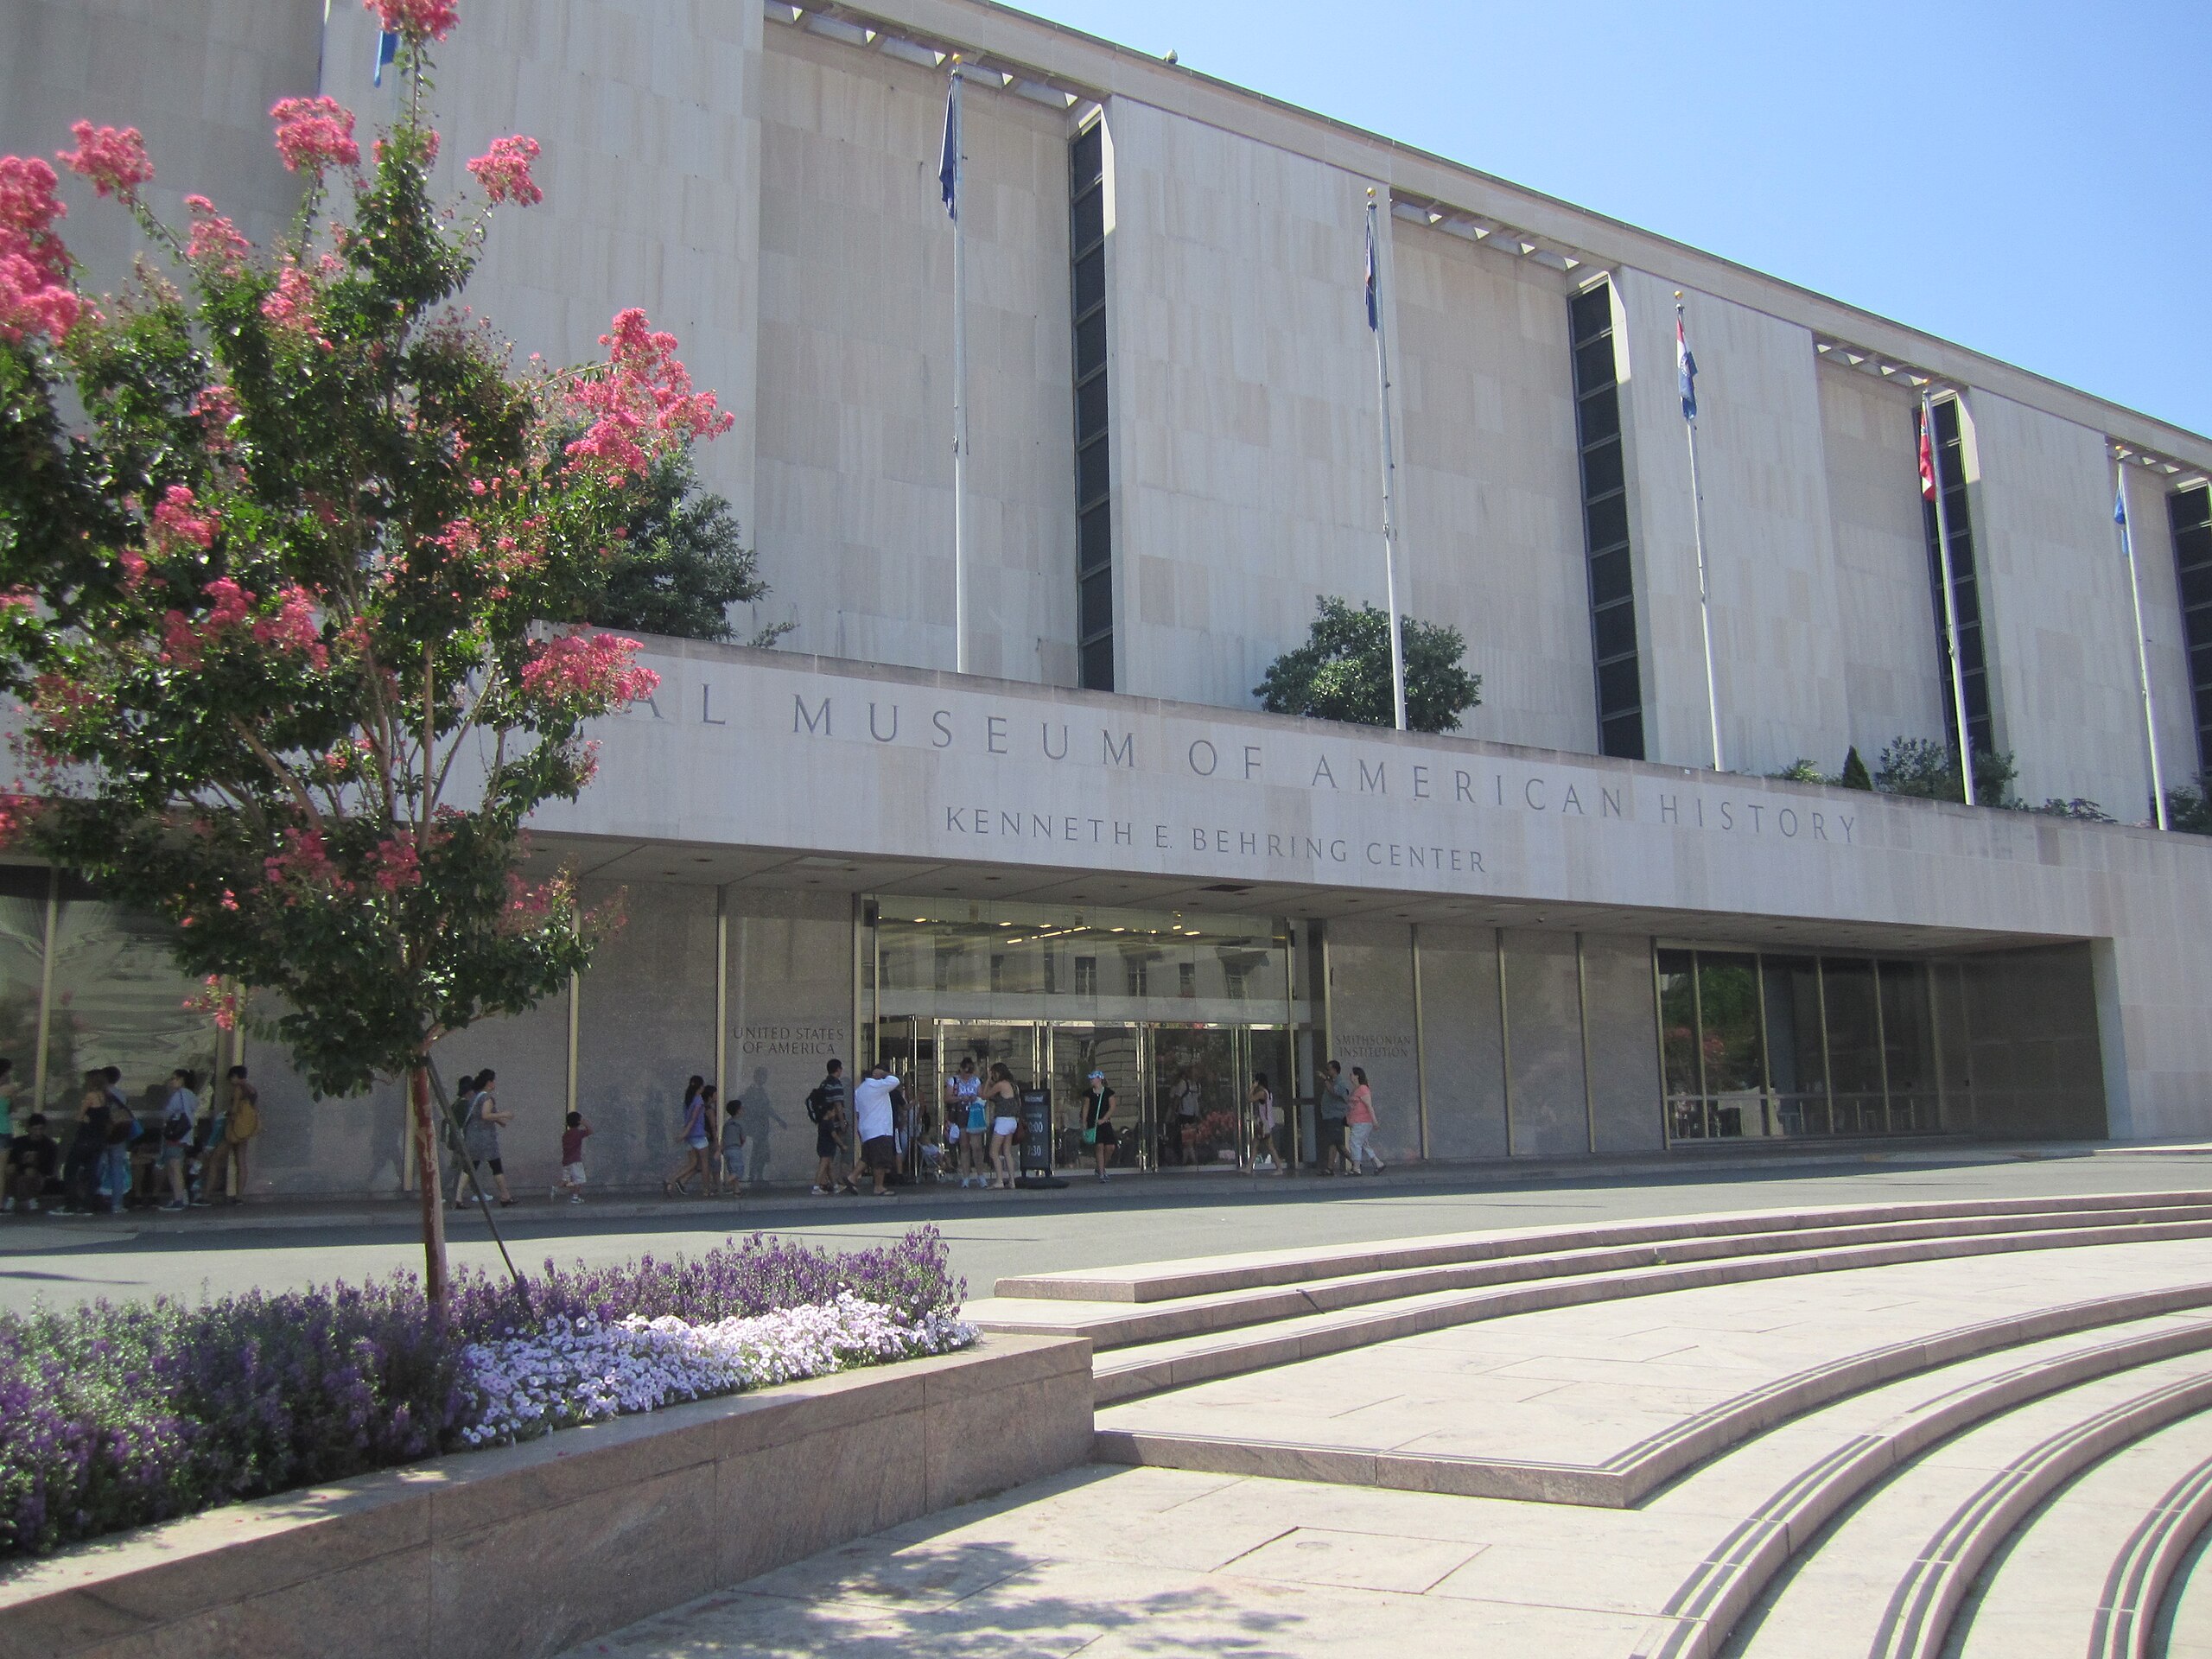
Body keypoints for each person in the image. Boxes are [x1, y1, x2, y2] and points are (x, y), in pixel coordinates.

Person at [455, 1067, 515, 1207]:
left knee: (469, 1168)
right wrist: (504, 1115)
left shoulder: (475, 1097)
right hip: (485, 1139)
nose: (494, 1084)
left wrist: (500, 1121)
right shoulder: (487, 1098)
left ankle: (458, 1197)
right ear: (488, 1083)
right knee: (496, 1166)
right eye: (493, 1081)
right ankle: (505, 1196)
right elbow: (485, 1115)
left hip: (472, 1137)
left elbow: (479, 1115)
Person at [200, 1065, 257, 1205]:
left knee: (215, 1160)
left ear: (236, 1076)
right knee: (241, 1163)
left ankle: (206, 1196)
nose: (230, 1080)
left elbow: (233, 1110)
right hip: (244, 1131)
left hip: (232, 1130)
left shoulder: (238, 1089)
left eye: (231, 1077)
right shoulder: (252, 1090)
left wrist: (226, 1114)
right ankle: (239, 1197)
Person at [57, 1072, 110, 1216]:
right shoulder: (105, 1097)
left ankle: (71, 1204)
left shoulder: (90, 1096)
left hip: (85, 1138)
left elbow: (79, 1116)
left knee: (70, 1170)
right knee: (92, 1171)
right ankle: (88, 1204)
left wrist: (82, 1117)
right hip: (99, 1140)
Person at [849, 1060, 900, 1197]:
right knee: (880, 1160)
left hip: (866, 1128)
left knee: (867, 1157)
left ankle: (852, 1177)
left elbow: (858, 1113)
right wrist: (884, 1074)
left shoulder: (860, 1090)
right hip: (880, 1128)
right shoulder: (877, 1085)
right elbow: (895, 1081)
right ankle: (879, 1187)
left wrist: (860, 1130)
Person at [665, 1077, 713, 1197]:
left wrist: (685, 1134)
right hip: (698, 1136)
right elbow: (694, 1119)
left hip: (690, 1137)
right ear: (701, 1087)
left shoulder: (688, 1100)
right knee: (705, 1163)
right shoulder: (699, 1101)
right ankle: (706, 1190)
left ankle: (671, 1181)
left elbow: (689, 1120)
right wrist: (684, 1134)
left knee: (693, 1163)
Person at [808, 1059, 847, 1196]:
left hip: (822, 1122)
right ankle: (820, 1184)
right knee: (828, 1157)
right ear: (838, 1069)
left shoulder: (824, 1083)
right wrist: (842, 1122)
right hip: (832, 1124)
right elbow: (838, 1105)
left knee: (828, 1157)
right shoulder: (836, 1084)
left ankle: (834, 1184)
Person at [157, 1077, 195, 1211]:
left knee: (174, 1166)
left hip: (175, 1135)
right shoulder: (191, 1095)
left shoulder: (178, 1094)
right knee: (176, 1165)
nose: (171, 1081)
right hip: (185, 1135)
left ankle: (178, 1199)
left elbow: (168, 1112)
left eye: (174, 1078)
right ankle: (179, 1197)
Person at [945, 1058, 984, 1187]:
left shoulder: (976, 1081)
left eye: (970, 1071)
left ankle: (980, 1175)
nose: (968, 1074)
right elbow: (947, 1098)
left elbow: (982, 1096)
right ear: (961, 1069)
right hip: (960, 1114)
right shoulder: (954, 1081)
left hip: (973, 1114)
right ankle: (966, 1176)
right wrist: (960, 1098)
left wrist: (975, 1098)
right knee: (964, 1146)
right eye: (966, 1071)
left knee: (977, 1146)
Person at [6, 1114, 57, 1213]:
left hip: (38, 1176)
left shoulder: (49, 1145)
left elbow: (49, 1170)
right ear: (29, 1129)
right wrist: (23, 1161)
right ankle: (10, 1198)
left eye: (41, 1129)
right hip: (18, 1171)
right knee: (10, 1169)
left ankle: (32, 1199)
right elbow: (11, 1160)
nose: (38, 1133)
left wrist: (36, 1162)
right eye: (35, 1129)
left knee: (29, 1172)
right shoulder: (18, 1142)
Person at [985, 1061, 1020, 1191]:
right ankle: (1012, 1181)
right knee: (1007, 1151)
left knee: (993, 1152)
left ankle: (999, 1180)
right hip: (1012, 1121)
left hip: (1003, 1121)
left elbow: (985, 1095)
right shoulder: (1013, 1085)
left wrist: (988, 1081)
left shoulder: (1001, 1084)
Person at [1345, 1065, 1384, 1174]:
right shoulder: (1355, 1090)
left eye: (1352, 1074)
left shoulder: (1363, 1089)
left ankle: (1356, 1168)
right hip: (1356, 1121)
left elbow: (1369, 1106)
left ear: (1357, 1076)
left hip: (1362, 1121)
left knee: (1355, 1143)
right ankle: (1378, 1163)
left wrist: (1374, 1121)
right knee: (1363, 1143)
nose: (1350, 1077)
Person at [1081, 1069, 1116, 1183]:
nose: (1091, 1080)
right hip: (1094, 1122)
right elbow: (1086, 1107)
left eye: (1093, 1078)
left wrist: (1104, 1119)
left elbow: (1112, 1107)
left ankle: (1101, 1167)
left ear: (1099, 1079)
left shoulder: (1108, 1093)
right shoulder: (1088, 1093)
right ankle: (1101, 1173)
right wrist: (1084, 1121)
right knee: (1099, 1147)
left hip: (1105, 1123)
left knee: (1110, 1147)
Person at [1317, 1058, 1351, 1176]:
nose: (1327, 1071)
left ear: (1335, 1070)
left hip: (1336, 1116)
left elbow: (1334, 1092)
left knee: (1336, 1142)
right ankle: (1331, 1167)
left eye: (1328, 1069)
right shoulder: (1332, 1081)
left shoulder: (1340, 1082)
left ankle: (1353, 1163)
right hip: (1329, 1116)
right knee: (1335, 1142)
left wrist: (1325, 1080)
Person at [554, 1109, 591, 1203]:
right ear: (578, 1122)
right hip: (575, 1161)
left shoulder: (566, 1135)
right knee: (580, 1179)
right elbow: (590, 1131)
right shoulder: (578, 1133)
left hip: (566, 1161)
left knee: (565, 1179)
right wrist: (585, 1123)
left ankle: (555, 1188)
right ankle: (575, 1197)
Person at [1250, 1071, 1283, 1174]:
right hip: (1267, 1123)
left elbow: (1250, 1098)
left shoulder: (1261, 1093)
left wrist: (1252, 1088)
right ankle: (1249, 1167)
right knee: (1259, 1145)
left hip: (1264, 1124)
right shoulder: (1268, 1092)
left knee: (1267, 1146)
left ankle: (1279, 1168)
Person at [1171, 1066, 1201, 1166]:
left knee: (1188, 1140)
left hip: (1193, 1115)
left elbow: (1197, 1100)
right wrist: (1173, 1113)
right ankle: (1193, 1161)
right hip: (1184, 1115)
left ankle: (1185, 1161)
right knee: (1188, 1140)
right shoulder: (1183, 1084)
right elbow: (1177, 1099)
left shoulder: (1197, 1085)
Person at [719, 1095, 747, 1192]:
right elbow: (743, 1138)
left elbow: (723, 1137)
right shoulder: (740, 1123)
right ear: (738, 1111)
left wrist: (721, 1150)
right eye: (742, 1108)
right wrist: (740, 1144)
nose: (743, 1110)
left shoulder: (727, 1123)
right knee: (739, 1171)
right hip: (735, 1149)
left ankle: (737, 1191)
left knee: (732, 1171)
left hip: (726, 1150)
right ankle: (725, 1183)